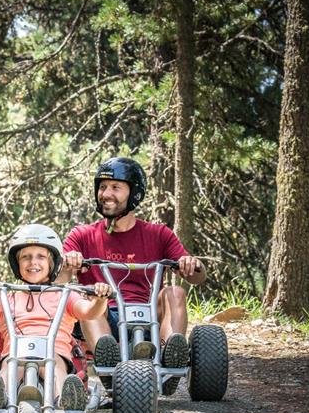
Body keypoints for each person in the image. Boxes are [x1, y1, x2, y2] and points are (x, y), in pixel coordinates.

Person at [0, 224, 112, 413]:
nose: (33, 262)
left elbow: (89, 312)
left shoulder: (65, 294)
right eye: (25, 257)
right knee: (10, 367)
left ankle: (67, 409)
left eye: (40, 256)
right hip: (15, 355)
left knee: (55, 366)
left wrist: (100, 299)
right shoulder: (8, 295)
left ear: (53, 262)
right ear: (16, 264)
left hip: (55, 354)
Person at [62, 157, 206, 370]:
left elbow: (197, 277)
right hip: (105, 317)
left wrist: (191, 264)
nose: (106, 194)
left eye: (115, 187)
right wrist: (68, 263)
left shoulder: (159, 234)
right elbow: (58, 280)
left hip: (150, 316)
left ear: (134, 193)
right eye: (102, 187)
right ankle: (108, 359)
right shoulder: (82, 235)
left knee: (174, 292)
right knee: (90, 296)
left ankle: (169, 355)